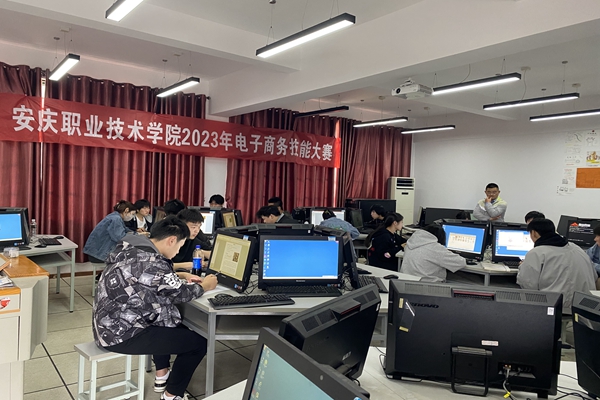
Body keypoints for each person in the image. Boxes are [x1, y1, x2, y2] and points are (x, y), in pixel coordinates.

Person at [92, 216, 218, 400]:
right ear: (172, 240)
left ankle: (162, 375)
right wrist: (206, 285)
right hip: (122, 334)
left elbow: (147, 278)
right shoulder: (152, 262)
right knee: (197, 343)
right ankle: (172, 395)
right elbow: (181, 294)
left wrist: (179, 275)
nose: (178, 251)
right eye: (180, 246)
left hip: (107, 326)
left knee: (167, 321)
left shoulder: (131, 247)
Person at [517, 219, 596, 315]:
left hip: (555, 308)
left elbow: (528, 285)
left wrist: (522, 267)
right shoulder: (576, 248)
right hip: (585, 308)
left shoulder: (537, 253)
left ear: (534, 233)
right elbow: (594, 276)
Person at [401, 225, 466, 282]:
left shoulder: (410, 243)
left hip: (405, 284)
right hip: (429, 287)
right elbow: (461, 263)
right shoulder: (436, 248)